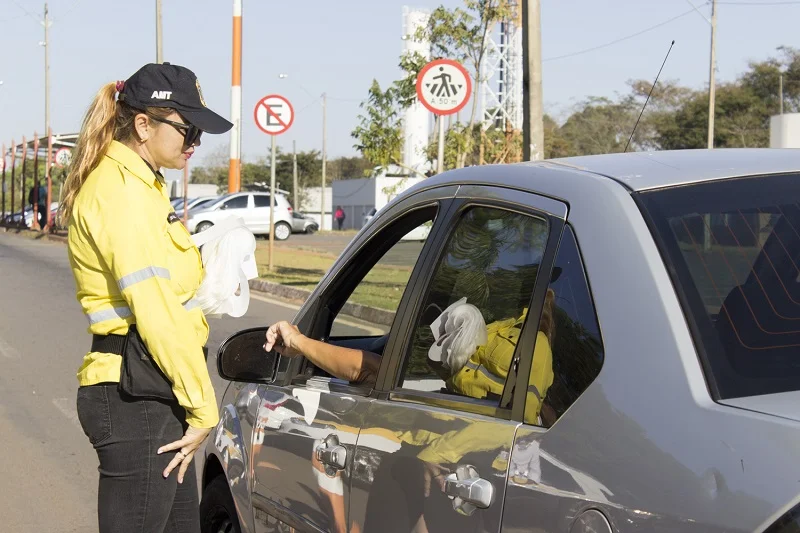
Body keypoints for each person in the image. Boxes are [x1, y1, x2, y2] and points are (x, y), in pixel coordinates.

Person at [61, 63, 232, 533]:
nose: (194, 140)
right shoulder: (120, 193)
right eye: (186, 127)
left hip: (155, 389)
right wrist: (202, 407)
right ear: (142, 124)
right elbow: (155, 311)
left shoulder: (144, 187)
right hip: (134, 396)